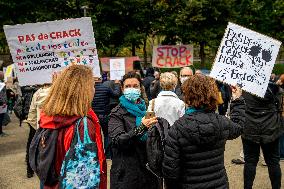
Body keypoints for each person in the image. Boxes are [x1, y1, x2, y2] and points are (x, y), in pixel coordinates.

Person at [163, 74, 245, 189]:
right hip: (219, 184)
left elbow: (171, 170)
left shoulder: (177, 128)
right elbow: (238, 127)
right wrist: (237, 100)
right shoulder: (222, 122)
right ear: (213, 94)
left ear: (187, 95)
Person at [39, 65, 106, 189]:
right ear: (83, 91)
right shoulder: (83, 125)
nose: (94, 90)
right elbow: (84, 179)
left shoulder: (49, 117)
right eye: (92, 85)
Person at [108, 71, 159, 189]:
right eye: (128, 86)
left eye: (135, 86)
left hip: (147, 170)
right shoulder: (116, 113)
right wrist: (142, 127)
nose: (132, 89)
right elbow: (119, 141)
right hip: (127, 172)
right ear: (122, 88)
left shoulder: (145, 110)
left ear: (140, 88)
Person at [241, 81, 284, 189]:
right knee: (273, 162)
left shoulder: (245, 87)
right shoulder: (274, 88)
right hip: (271, 127)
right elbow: (279, 106)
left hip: (250, 127)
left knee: (250, 161)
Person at [92, 78, 121, 159]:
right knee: (107, 135)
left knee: (95, 136)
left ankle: (96, 155)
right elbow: (116, 94)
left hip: (93, 116)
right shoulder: (105, 88)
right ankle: (108, 155)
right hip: (104, 116)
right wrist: (117, 84)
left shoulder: (90, 89)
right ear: (100, 79)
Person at [0, 71, 7, 137]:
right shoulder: (1, 84)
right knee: (1, 118)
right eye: (2, 75)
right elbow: (2, 94)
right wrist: (4, 102)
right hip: (1, 104)